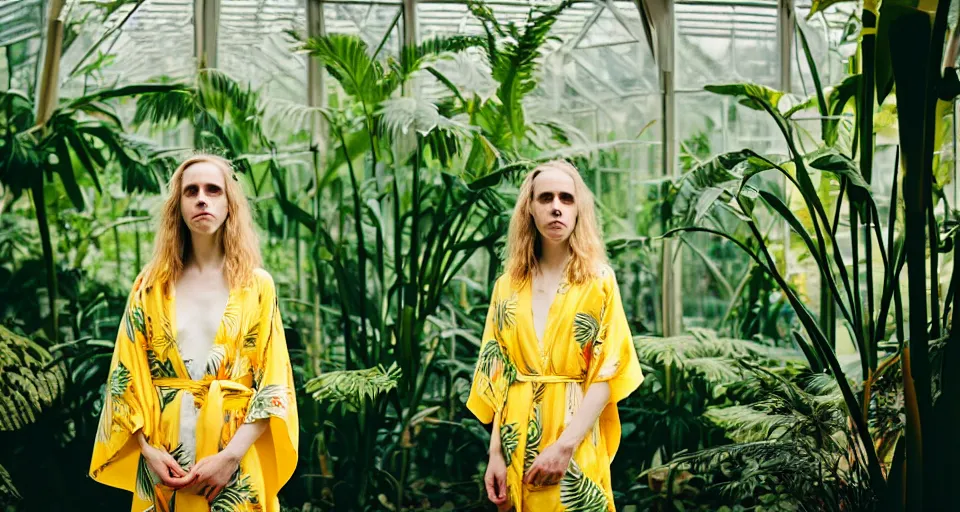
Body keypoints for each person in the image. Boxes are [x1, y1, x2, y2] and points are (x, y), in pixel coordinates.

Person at [89, 154, 299, 511]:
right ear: (178, 206)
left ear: (230, 204)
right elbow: (126, 376)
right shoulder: (150, 286)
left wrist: (230, 457)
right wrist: (148, 451)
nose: (202, 198)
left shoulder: (257, 286)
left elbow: (273, 384)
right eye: (192, 191)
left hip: (233, 456)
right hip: (165, 457)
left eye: (213, 190)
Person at [466, 160, 644, 511]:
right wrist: (495, 454)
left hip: (574, 433)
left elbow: (611, 370)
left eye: (567, 197)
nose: (556, 207)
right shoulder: (507, 287)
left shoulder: (598, 281)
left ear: (580, 210)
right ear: (529, 209)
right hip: (516, 435)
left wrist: (565, 446)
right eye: (545, 197)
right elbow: (498, 374)